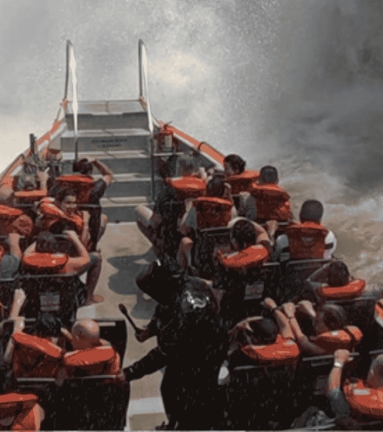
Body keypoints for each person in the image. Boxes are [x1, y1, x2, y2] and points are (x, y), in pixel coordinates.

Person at [123, 262, 228, 429]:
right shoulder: (194, 283)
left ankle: (182, 425)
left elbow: (162, 355)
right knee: (198, 388)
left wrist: (129, 372)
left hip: (201, 351)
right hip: (212, 340)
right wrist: (150, 330)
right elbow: (164, 307)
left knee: (176, 390)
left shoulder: (180, 312)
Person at [308, 244, 383, 304]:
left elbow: (310, 280)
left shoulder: (320, 293)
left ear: (328, 279)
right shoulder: (365, 293)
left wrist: (326, 267)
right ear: (349, 277)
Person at [279, 300, 362, 355]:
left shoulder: (328, 346)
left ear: (331, 326)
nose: (315, 324)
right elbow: (324, 322)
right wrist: (310, 311)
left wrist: (290, 315)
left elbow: (304, 343)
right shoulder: (344, 336)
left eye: (317, 322)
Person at [248, 165, 292, 236]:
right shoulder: (284, 196)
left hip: (259, 230)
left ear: (260, 180)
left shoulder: (254, 196)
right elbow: (290, 216)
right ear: (277, 180)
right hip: (281, 231)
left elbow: (249, 215)